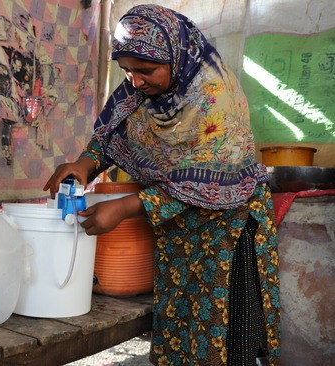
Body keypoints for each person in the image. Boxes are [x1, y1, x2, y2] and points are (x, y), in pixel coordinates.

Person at [44, 4, 281, 366]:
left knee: (225, 337)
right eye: (126, 71)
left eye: (145, 70)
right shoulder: (140, 88)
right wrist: (84, 163)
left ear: (175, 54)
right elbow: (113, 131)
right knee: (180, 332)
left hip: (226, 230)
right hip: (179, 229)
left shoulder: (215, 99)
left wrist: (124, 206)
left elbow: (208, 182)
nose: (135, 81)